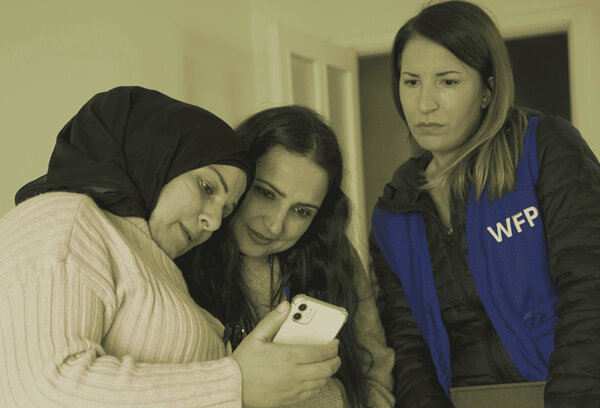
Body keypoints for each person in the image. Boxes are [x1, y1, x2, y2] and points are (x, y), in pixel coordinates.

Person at [0, 86, 342, 407]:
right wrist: (234, 382)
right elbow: (43, 389)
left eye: (226, 210)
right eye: (207, 187)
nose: (214, 221)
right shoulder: (66, 219)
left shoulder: (158, 266)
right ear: (155, 157)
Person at [370, 1, 600, 407]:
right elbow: (408, 349)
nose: (425, 104)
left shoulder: (545, 149)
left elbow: (589, 287)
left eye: (448, 82)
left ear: (487, 91)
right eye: (411, 82)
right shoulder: (393, 213)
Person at [177, 105, 396, 407]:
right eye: (266, 193)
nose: (276, 224)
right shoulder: (180, 248)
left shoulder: (335, 260)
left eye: (301, 211)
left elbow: (376, 371)